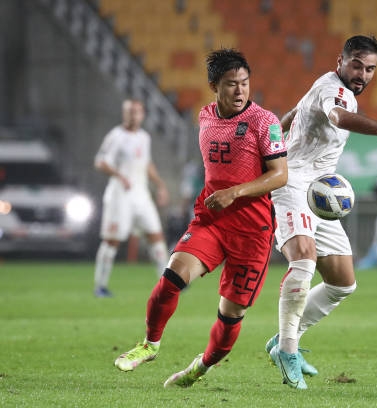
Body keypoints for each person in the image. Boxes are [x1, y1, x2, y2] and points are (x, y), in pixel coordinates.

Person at [265, 35, 377, 389]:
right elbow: (339, 117)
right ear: (339, 61)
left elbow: (295, 113)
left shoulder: (324, 86)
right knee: (304, 262)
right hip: (292, 184)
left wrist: (272, 138)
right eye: (356, 64)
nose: (362, 73)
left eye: (370, 68)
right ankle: (288, 349)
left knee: (342, 283)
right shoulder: (336, 92)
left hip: (318, 191)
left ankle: (284, 337)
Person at [113, 49, 288, 388]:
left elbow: (280, 174)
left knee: (231, 314)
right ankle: (149, 344)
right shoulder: (205, 116)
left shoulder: (263, 122)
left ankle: (200, 367)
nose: (240, 91)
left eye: (245, 84)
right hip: (212, 220)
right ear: (213, 86)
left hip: (253, 231)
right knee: (172, 278)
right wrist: (220, 195)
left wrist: (235, 192)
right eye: (231, 85)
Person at [93, 98, 170, 298]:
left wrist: (160, 185)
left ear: (142, 114)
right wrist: (120, 176)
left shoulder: (144, 137)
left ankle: (167, 284)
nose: (133, 115)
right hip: (120, 195)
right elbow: (100, 162)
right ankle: (100, 286)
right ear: (123, 113)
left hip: (141, 194)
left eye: (136, 112)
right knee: (112, 241)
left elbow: (147, 164)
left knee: (156, 236)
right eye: (129, 111)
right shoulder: (116, 136)